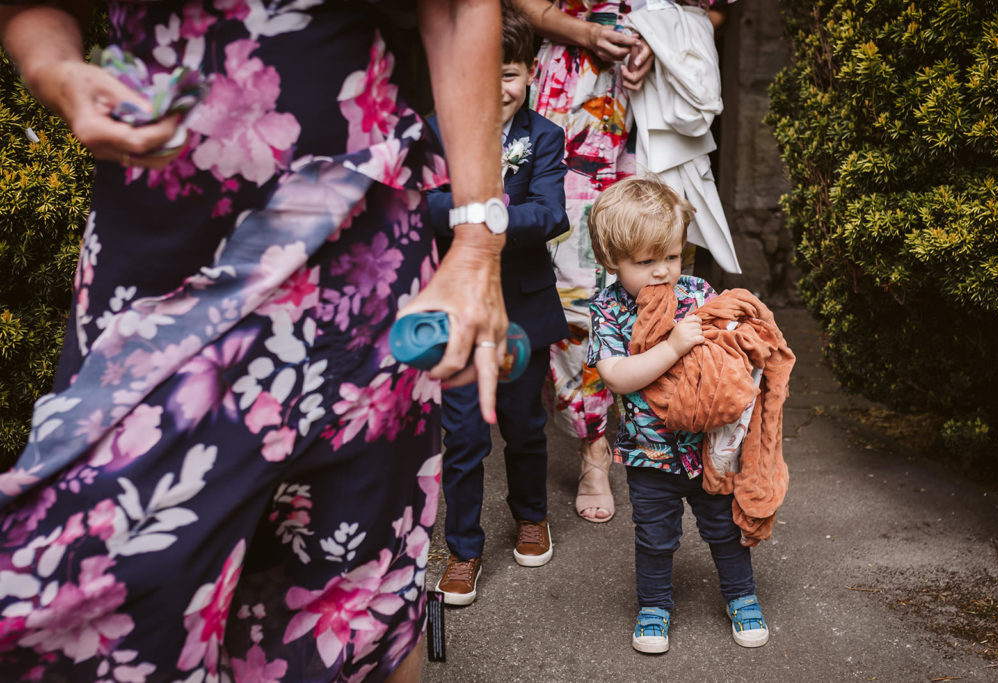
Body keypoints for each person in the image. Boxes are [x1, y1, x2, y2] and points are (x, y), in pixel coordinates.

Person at [0, 0, 507, 680]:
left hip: (354, 243)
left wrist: (476, 244)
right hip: (158, 256)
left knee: (352, 583)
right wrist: (54, 68)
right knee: (91, 582)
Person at [585, 177, 768, 654]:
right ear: (612, 262)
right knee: (655, 538)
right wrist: (672, 346)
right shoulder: (607, 310)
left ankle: (741, 597)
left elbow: (722, 354)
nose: (661, 272)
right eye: (644, 262)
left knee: (725, 529)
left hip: (707, 448)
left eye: (669, 256)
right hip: (649, 456)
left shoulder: (696, 292)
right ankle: (654, 607)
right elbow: (618, 377)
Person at [426, 7, 570, 606]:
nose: (494, 89)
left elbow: (552, 213)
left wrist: (490, 215)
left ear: (530, 74)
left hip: (523, 313)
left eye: (507, 75)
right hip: (458, 311)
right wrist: (464, 213)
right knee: (461, 437)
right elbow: (422, 206)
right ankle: (463, 548)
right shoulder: (437, 130)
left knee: (524, 427)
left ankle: (531, 515)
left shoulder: (544, 138)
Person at [507, 0, 655, 524]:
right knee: (568, 281)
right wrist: (585, 32)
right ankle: (584, 441)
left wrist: (660, 40)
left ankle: (620, 437)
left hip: (642, 99)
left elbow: (712, 12)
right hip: (561, 90)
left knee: (636, 267)